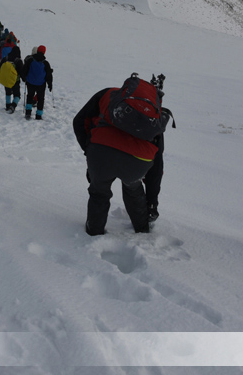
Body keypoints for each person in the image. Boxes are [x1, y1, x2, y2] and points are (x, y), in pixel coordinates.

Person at [72, 82, 171, 235]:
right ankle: (142, 230)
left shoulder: (108, 93)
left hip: (101, 152)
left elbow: (79, 121)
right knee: (133, 187)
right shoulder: (154, 116)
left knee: (99, 192)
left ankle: (94, 234)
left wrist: (90, 152)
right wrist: (152, 203)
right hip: (138, 161)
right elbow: (157, 164)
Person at [21, 45, 53, 120]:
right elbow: (49, 75)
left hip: (30, 82)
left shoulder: (30, 60)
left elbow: (24, 70)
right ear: (44, 52)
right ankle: (38, 115)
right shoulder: (45, 63)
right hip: (41, 84)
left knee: (30, 96)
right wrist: (50, 84)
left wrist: (24, 78)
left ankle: (28, 113)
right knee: (41, 99)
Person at [0, 34, 23, 113]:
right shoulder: (18, 61)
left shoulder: (6, 58)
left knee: (8, 92)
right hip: (15, 80)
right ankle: (13, 106)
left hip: (6, 79)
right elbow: (21, 72)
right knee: (17, 95)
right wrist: (24, 79)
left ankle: (8, 105)